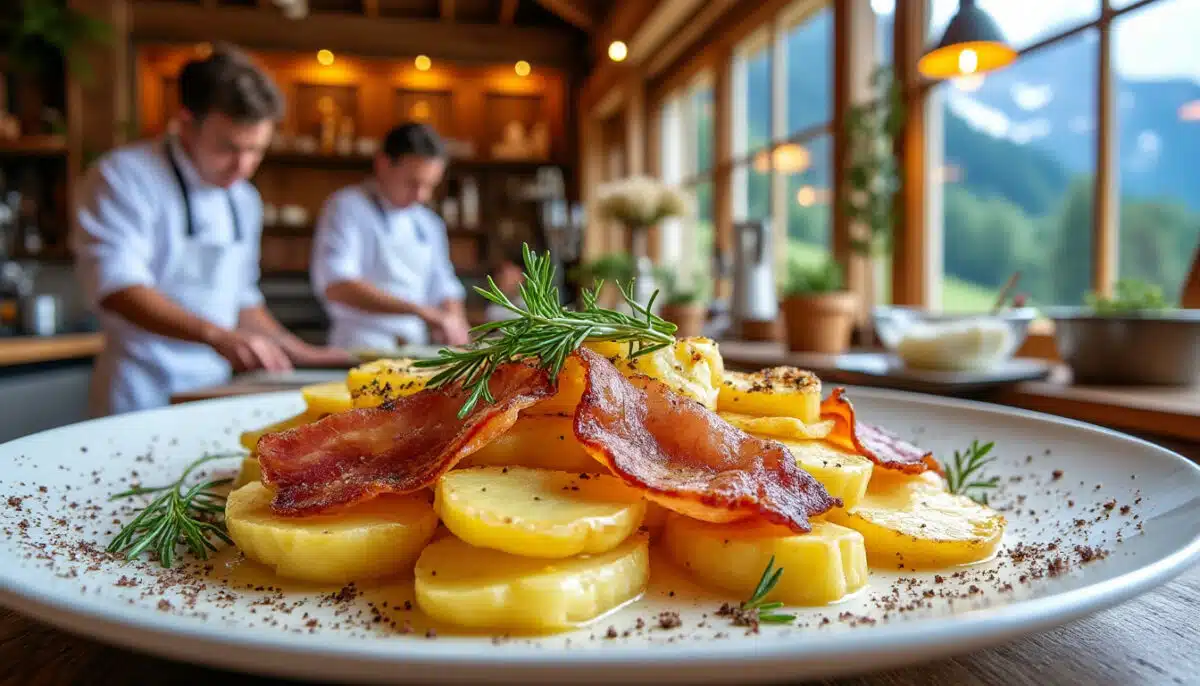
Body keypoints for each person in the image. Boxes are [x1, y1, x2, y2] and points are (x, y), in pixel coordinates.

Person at [73, 44, 349, 416]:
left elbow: (241, 301)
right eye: (229, 148)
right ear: (186, 124)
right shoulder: (123, 177)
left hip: (214, 388)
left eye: (257, 150)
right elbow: (117, 287)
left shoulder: (243, 199)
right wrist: (216, 335)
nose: (243, 166)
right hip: (139, 388)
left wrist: (297, 350)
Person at [311, 122, 469, 349]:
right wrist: (421, 311)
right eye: (413, 183)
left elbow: (444, 286)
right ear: (383, 164)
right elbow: (337, 285)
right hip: (359, 348)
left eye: (429, 185)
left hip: (417, 349)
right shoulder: (346, 207)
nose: (421, 196)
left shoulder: (428, 222)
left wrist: (455, 322)